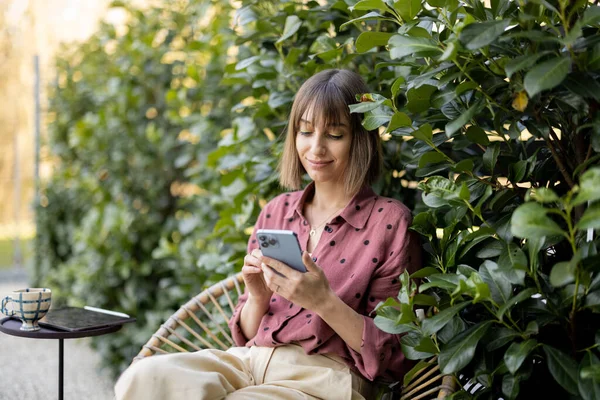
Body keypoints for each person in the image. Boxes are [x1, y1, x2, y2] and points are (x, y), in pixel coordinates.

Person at [115, 69, 421, 400]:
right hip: (249, 363)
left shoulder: (390, 222)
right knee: (144, 378)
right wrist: (258, 296)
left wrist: (323, 301)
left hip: (323, 376)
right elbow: (244, 335)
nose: (315, 148)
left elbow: (393, 355)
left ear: (359, 139)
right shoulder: (278, 210)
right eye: (305, 131)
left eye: (335, 135)